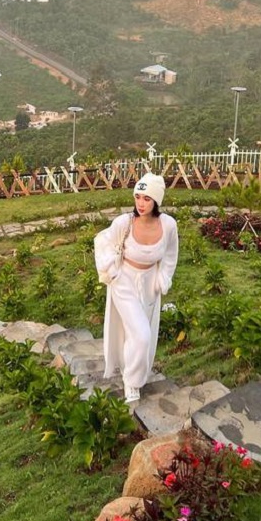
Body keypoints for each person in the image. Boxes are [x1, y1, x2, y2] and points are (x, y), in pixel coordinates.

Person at [94, 173, 179, 403]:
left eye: (147, 198)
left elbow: (170, 255)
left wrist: (163, 277)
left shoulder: (169, 225)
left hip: (149, 282)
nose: (140, 203)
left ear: (156, 201)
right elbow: (105, 244)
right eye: (138, 197)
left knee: (140, 333)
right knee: (141, 334)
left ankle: (129, 369)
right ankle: (132, 382)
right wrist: (111, 271)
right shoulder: (124, 223)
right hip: (124, 281)